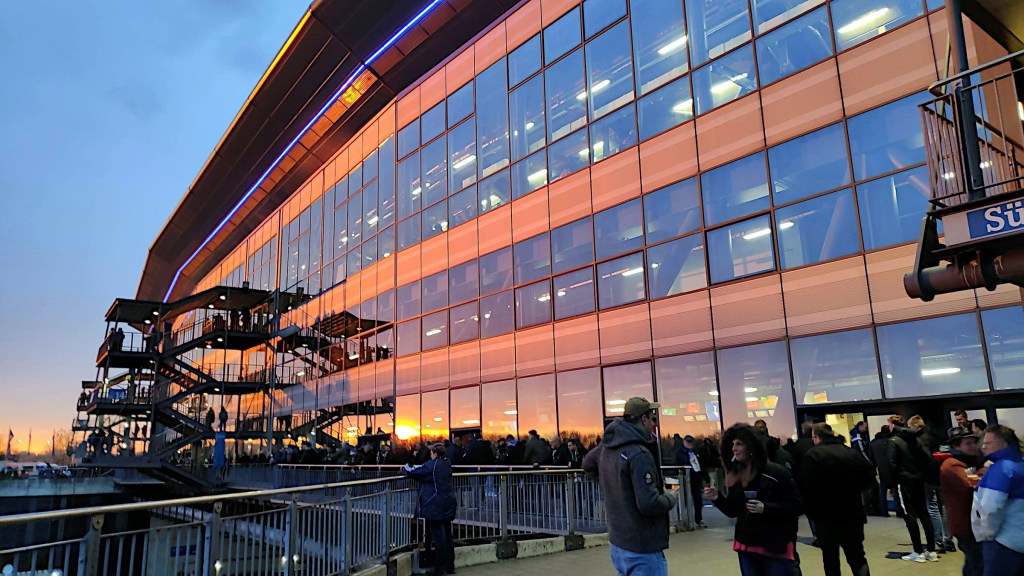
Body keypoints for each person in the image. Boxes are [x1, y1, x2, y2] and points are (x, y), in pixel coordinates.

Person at [583, 398, 676, 576]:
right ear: (643, 420)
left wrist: (613, 487)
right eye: (652, 418)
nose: (653, 423)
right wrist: (671, 498)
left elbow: (588, 464)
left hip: (619, 543)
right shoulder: (639, 453)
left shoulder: (608, 446)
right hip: (642, 547)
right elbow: (649, 503)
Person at [706, 423, 802, 576]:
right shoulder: (736, 475)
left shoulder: (775, 473)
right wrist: (717, 498)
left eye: (739, 444)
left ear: (750, 446)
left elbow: (797, 506)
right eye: (732, 444)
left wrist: (766, 508)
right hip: (747, 545)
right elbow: (733, 511)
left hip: (775, 545)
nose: (734, 449)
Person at [802, 423, 872, 576]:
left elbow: (807, 488)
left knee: (830, 559)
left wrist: (812, 513)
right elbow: (868, 479)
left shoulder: (813, 456)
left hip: (825, 517)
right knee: (857, 557)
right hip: (852, 514)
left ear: (816, 437)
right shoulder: (851, 453)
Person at [973, 424, 1024, 575]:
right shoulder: (1019, 465)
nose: (983, 446)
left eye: (988, 443)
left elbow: (990, 508)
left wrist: (987, 535)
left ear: (1004, 444)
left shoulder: (1000, 469)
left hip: (1004, 544)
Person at [889, 417, 938, 562]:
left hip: (903, 481)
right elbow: (927, 459)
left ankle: (918, 551)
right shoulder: (917, 440)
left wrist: (892, 483)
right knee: (924, 513)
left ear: (892, 425)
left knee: (909, 514)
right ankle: (931, 549)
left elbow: (891, 464)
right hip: (919, 479)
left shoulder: (894, 442)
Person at [404, 443, 457, 576]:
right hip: (447, 503)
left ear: (434, 453)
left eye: (431, 453)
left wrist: (405, 468)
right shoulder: (447, 463)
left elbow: (416, 472)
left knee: (439, 539)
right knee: (447, 536)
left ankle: (440, 569)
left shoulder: (433, 465)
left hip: (435, 504)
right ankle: (450, 566)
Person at [940, 426, 986, 576]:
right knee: (976, 563)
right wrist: (985, 470)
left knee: (972, 562)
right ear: (956, 445)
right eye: (968, 443)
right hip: (965, 524)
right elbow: (972, 485)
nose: (974, 446)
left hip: (972, 522)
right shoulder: (952, 464)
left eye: (974, 442)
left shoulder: (970, 462)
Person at [677, 434, 710, 528]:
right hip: (685, 479)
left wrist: (706, 478)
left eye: (690, 442)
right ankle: (685, 520)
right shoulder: (680, 452)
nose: (689, 444)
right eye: (687, 442)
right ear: (684, 442)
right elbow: (678, 464)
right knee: (685, 500)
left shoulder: (696, 452)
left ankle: (698, 519)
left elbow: (701, 466)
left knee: (698, 500)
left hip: (696, 478)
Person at [871, 425, 896, 517]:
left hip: (881, 470)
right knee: (896, 490)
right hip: (893, 468)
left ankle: (883, 510)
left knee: (882, 491)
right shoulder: (892, 441)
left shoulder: (874, 443)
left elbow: (871, 458)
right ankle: (899, 510)